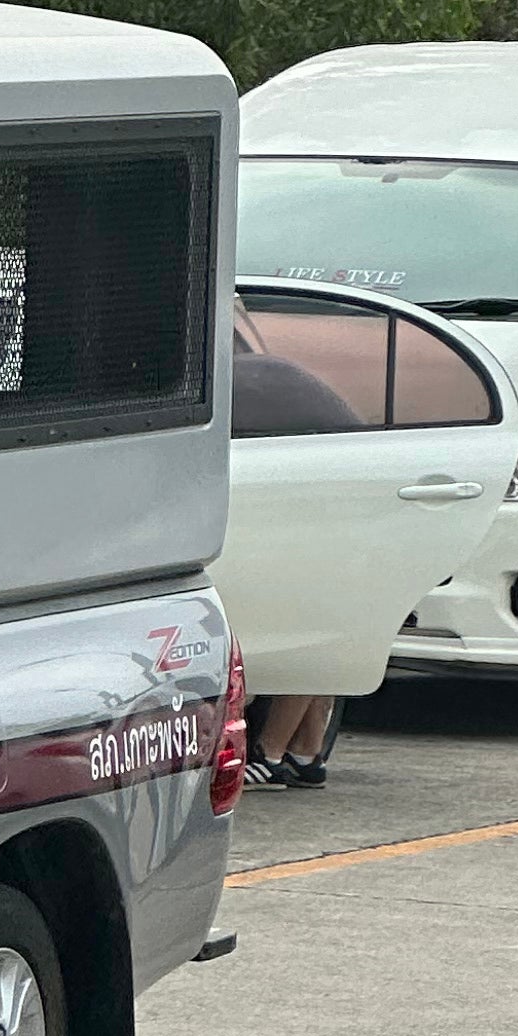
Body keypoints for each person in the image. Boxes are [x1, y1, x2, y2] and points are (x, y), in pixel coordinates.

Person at [227, 314, 359, 789]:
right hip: (339, 515)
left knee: (304, 636)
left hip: (311, 519)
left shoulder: (249, 390)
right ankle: (304, 753)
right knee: (323, 633)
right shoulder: (284, 383)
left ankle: (270, 751)